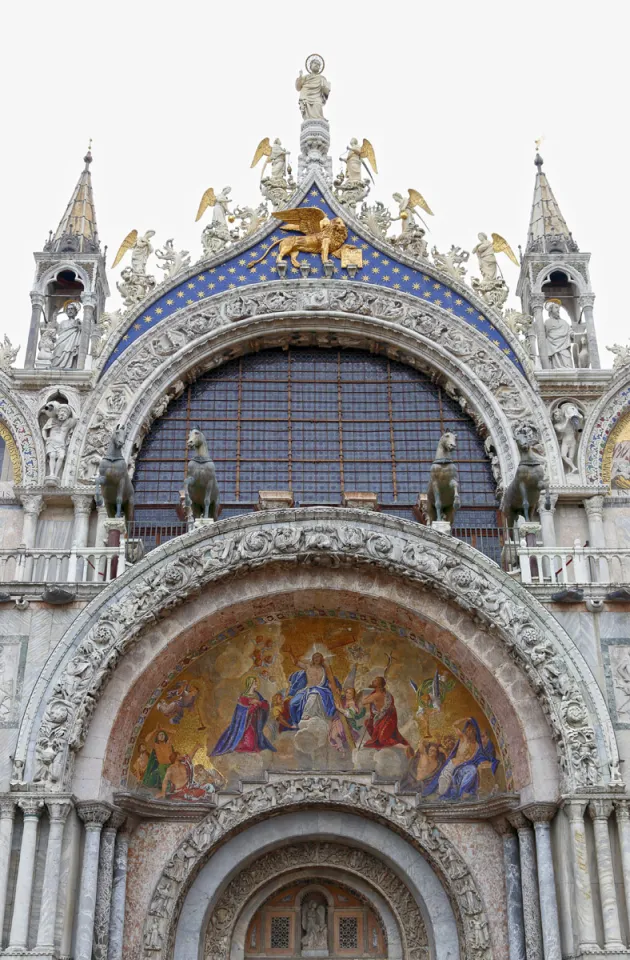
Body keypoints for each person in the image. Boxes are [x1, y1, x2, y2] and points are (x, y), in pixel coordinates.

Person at [211, 676, 275, 755]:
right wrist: (253, 705)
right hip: (244, 723)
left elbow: (265, 704)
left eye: (256, 682)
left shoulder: (257, 695)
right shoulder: (243, 696)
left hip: (255, 721)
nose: (256, 684)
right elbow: (241, 711)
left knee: (253, 742)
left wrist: (259, 703)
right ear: (250, 684)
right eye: (255, 682)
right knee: (247, 744)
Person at [286, 651, 341, 726]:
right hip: (307, 689)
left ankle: (306, 714)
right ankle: (295, 722)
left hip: (319, 689)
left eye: (318, 657)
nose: (316, 658)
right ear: (312, 659)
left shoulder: (324, 670)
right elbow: (296, 662)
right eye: (315, 657)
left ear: (321, 659)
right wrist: (291, 653)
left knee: (313, 694)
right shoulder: (308, 666)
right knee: (292, 703)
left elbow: (330, 681)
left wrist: (335, 689)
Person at [362, 677, 409, 750]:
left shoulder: (376, 695)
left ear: (379, 685)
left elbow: (363, 702)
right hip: (387, 719)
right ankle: (378, 741)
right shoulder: (387, 693)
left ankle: (405, 747)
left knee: (383, 739)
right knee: (367, 723)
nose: (373, 681)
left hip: (385, 720)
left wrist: (367, 693)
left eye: (375, 680)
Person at [51, 303, 81, 369]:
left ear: (75, 311)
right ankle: (55, 365)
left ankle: (69, 366)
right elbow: (59, 333)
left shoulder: (78, 322)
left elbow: (82, 332)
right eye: (68, 309)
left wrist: (79, 326)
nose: (70, 311)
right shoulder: (63, 322)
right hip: (61, 342)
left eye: (72, 309)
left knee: (69, 352)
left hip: (71, 343)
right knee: (58, 351)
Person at [546, 302, 573, 369]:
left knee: (568, 365)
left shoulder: (564, 322)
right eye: (556, 307)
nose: (558, 310)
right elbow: (544, 336)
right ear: (550, 309)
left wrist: (574, 335)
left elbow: (570, 331)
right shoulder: (547, 322)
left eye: (559, 308)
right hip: (553, 350)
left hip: (564, 348)